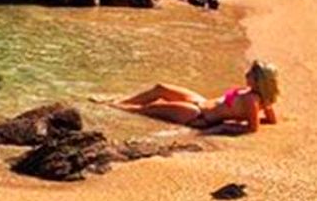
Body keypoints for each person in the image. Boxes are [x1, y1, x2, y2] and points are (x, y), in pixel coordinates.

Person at [112, 60, 279, 133]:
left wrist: (223, 127)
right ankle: (120, 101)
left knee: (145, 110)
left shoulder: (252, 100)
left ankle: (112, 107)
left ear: (259, 81)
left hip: (198, 115)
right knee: (160, 88)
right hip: (201, 102)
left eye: (250, 74)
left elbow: (252, 129)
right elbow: (272, 121)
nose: (246, 74)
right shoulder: (256, 95)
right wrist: (240, 116)